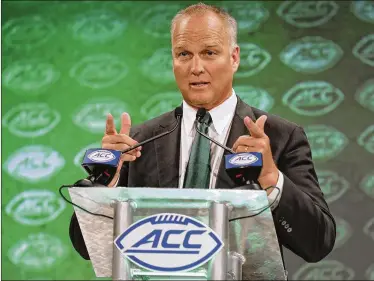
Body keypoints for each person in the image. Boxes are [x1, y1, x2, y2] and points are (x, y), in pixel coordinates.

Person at [70, 2, 336, 266]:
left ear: (234, 57)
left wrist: (270, 179)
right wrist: (105, 184)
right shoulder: (138, 142)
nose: (196, 67)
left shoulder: (280, 138)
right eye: (184, 54)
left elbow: (318, 243)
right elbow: (85, 246)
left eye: (209, 53)